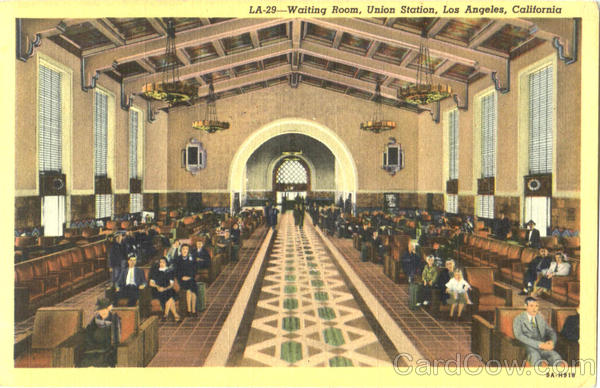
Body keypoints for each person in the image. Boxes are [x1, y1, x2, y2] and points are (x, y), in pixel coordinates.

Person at [513, 297, 564, 366]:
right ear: (526, 306)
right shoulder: (518, 319)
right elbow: (519, 336)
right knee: (535, 357)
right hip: (528, 347)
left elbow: (550, 331)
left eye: (536, 306)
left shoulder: (540, 317)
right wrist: (539, 344)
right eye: (531, 306)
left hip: (543, 347)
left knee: (555, 356)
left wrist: (552, 342)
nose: (534, 309)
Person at [79, 298, 121, 367]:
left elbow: (116, 335)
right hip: (94, 346)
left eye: (104, 310)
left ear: (109, 309)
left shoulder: (114, 318)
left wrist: (114, 347)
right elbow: (89, 331)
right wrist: (90, 343)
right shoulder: (96, 319)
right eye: (100, 310)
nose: (102, 312)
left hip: (108, 347)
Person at [149, 258, 181, 322]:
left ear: (166, 263)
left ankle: (165, 315)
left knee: (170, 294)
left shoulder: (169, 271)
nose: (161, 264)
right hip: (157, 289)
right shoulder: (156, 271)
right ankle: (175, 315)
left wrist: (165, 288)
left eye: (163, 262)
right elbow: (151, 283)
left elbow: (171, 284)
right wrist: (157, 287)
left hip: (167, 288)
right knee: (170, 297)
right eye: (160, 262)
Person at [175, 244, 199, 317]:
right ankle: (189, 310)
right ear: (181, 250)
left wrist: (190, 277)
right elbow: (176, 271)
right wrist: (182, 277)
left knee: (193, 290)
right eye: (183, 249)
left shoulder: (191, 258)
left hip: (190, 278)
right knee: (189, 290)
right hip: (181, 279)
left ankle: (193, 310)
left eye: (186, 249)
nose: (185, 250)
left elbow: (195, 269)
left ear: (188, 251)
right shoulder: (178, 259)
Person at [401, 242, 423, 309]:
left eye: (413, 247)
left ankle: (414, 304)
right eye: (410, 246)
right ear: (408, 247)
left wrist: (414, 254)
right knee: (412, 287)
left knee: (415, 288)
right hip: (408, 270)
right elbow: (405, 262)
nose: (412, 248)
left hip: (414, 271)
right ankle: (411, 304)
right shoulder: (405, 254)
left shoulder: (416, 255)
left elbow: (418, 262)